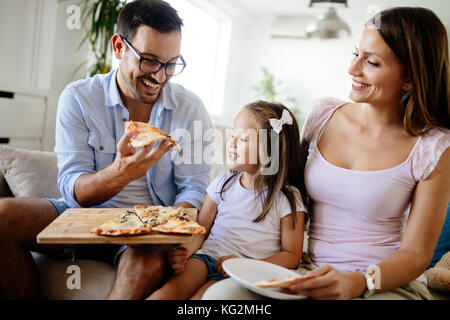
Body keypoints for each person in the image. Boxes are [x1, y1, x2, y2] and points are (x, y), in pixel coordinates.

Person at [203, 7, 450, 300]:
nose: (353, 69)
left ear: (409, 78)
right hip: (306, 271)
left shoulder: (434, 148)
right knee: (222, 298)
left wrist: (360, 281)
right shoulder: (323, 115)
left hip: (382, 283)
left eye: (371, 62)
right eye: (355, 54)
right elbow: (282, 186)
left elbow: (416, 254)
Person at [0, 0, 213, 300]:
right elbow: (73, 188)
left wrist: (161, 227)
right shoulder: (79, 98)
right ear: (118, 47)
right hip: (82, 216)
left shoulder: (190, 110)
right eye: (149, 60)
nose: (160, 76)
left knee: (148, 258)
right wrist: (119, 173)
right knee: (3, 215)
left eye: (171, 64)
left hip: (146, 234)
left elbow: (193, 191)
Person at [147, 101, 308, 299]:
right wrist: (184, 252)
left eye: (241, 139)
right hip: (205, 258)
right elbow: (201, 230)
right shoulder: (223, 183)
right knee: (168, 293)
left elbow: (292, 256)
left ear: (269, 149)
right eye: (232, 135)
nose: (230, 143)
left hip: (242, 272)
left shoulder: (287, 198)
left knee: (204, 298)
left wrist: (245, 265)